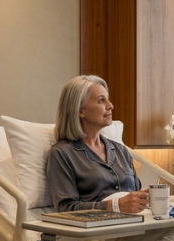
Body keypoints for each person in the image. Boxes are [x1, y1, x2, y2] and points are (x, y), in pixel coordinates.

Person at [46, 75, 149, 214]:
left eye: (108, 98)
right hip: (98, 230)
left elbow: (136, 195)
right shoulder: (62, 154)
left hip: (136, 223)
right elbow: (65, 208)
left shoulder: (120, 151)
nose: (110, 105)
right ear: (80, 110)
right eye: (101, 100)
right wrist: (114, 206)